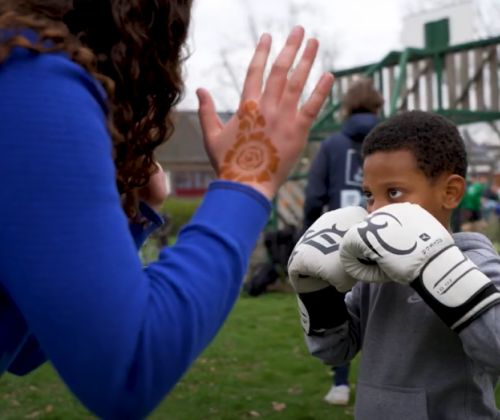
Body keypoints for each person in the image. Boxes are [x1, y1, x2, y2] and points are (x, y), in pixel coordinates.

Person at [0, 2, 334, 419]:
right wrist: (249, 180)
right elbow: (127, 369)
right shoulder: (30, 75)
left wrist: (134, 213)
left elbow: (27, 344)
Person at [289, 110, 500, 420]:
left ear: (450, 192)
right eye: (369, 196)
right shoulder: (372, 273)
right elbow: (334, 351)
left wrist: (438, 267)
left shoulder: (478, 263)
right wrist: (317, 294)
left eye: (394, 193)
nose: (375, 210)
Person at [303, 77, 383, 405]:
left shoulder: (332, 146)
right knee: (386, 302)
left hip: (341, 238)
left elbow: (312, 197)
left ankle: (340, 383)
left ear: (346, 109)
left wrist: (310, 239)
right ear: (378, 107)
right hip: (387, 233)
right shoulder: (392, 141)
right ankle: (388, 382)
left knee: (342, 307)